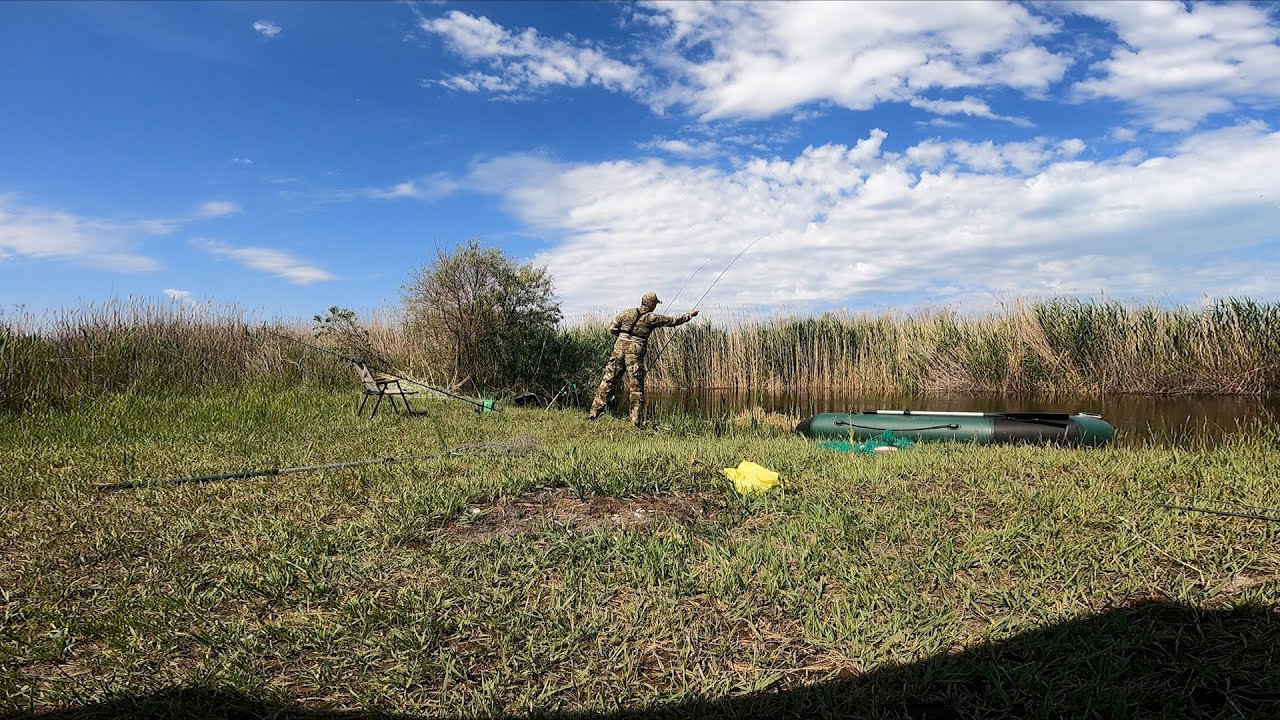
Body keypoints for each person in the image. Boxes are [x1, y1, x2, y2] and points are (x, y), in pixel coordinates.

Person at [587, 292, 699, 427]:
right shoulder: (652, 318)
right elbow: (673, 321)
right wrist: (690, 315)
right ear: (651, 304)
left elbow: (612, 328)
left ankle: (594, 415)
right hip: (634, 353)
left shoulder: (626, 313)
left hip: (618, 350)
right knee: (636, 387)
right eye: (655, 304)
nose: (655, 306)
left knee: (607, 381)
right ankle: (635, 422)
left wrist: (624, 337)